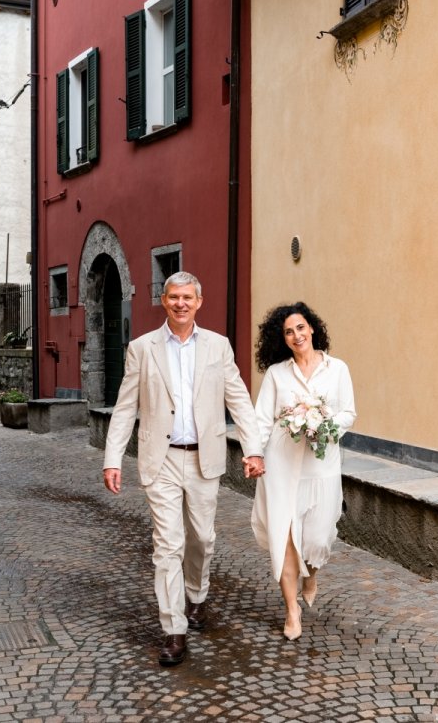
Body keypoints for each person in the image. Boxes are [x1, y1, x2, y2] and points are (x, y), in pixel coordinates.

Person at [103, 271, 264, 667]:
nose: (180, 303)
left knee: (203, 540)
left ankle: (197, 594)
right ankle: (173, 628)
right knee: (167, 545)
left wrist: (253, 448)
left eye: (187, 298)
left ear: (199, 301)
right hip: (161, 460)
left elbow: (239, 400)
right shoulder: (142, 348)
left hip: (203, 458)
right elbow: (125, 407)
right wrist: (112, 458)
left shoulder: (217, 346)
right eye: (173, 297)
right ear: (164, 301)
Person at [251, 301, 355, 641]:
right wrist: (254, 453)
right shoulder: (277, 374)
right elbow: (263, 419)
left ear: (312, 328)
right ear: (282, 339)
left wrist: (324, 427)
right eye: (288, 332)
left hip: (322, 467)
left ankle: (312, 574)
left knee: (317, 538)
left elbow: (347, 412)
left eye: (300, 328)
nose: (296, 335)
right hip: (282, 465)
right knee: (285, 539)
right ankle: (291, 610)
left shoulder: (337, 369)